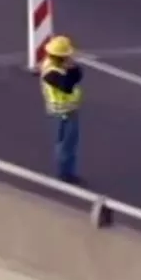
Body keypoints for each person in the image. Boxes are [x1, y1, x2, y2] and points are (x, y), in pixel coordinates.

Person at [39, 35, 84, 184]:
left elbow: (78, 75)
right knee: (66, 144)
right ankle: (65, 174)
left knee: (69, 143)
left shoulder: (58, 67)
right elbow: (67, 86)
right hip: (62, 113)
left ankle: (67, 171)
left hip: (69, 111)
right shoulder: (51, 72)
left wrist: (72, 68)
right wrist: (71, 69)